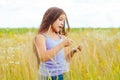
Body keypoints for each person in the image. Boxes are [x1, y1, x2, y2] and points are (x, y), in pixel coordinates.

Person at [33, 7, 81, 80]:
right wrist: (62, 45)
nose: (62, 23)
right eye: (60, 19)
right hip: (47, 76)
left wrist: (73, 51)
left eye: (63, 21)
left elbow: (66, 59)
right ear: (51, 18)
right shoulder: (41, 37)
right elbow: (43, 57)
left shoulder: (63, 38)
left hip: (63, 74)